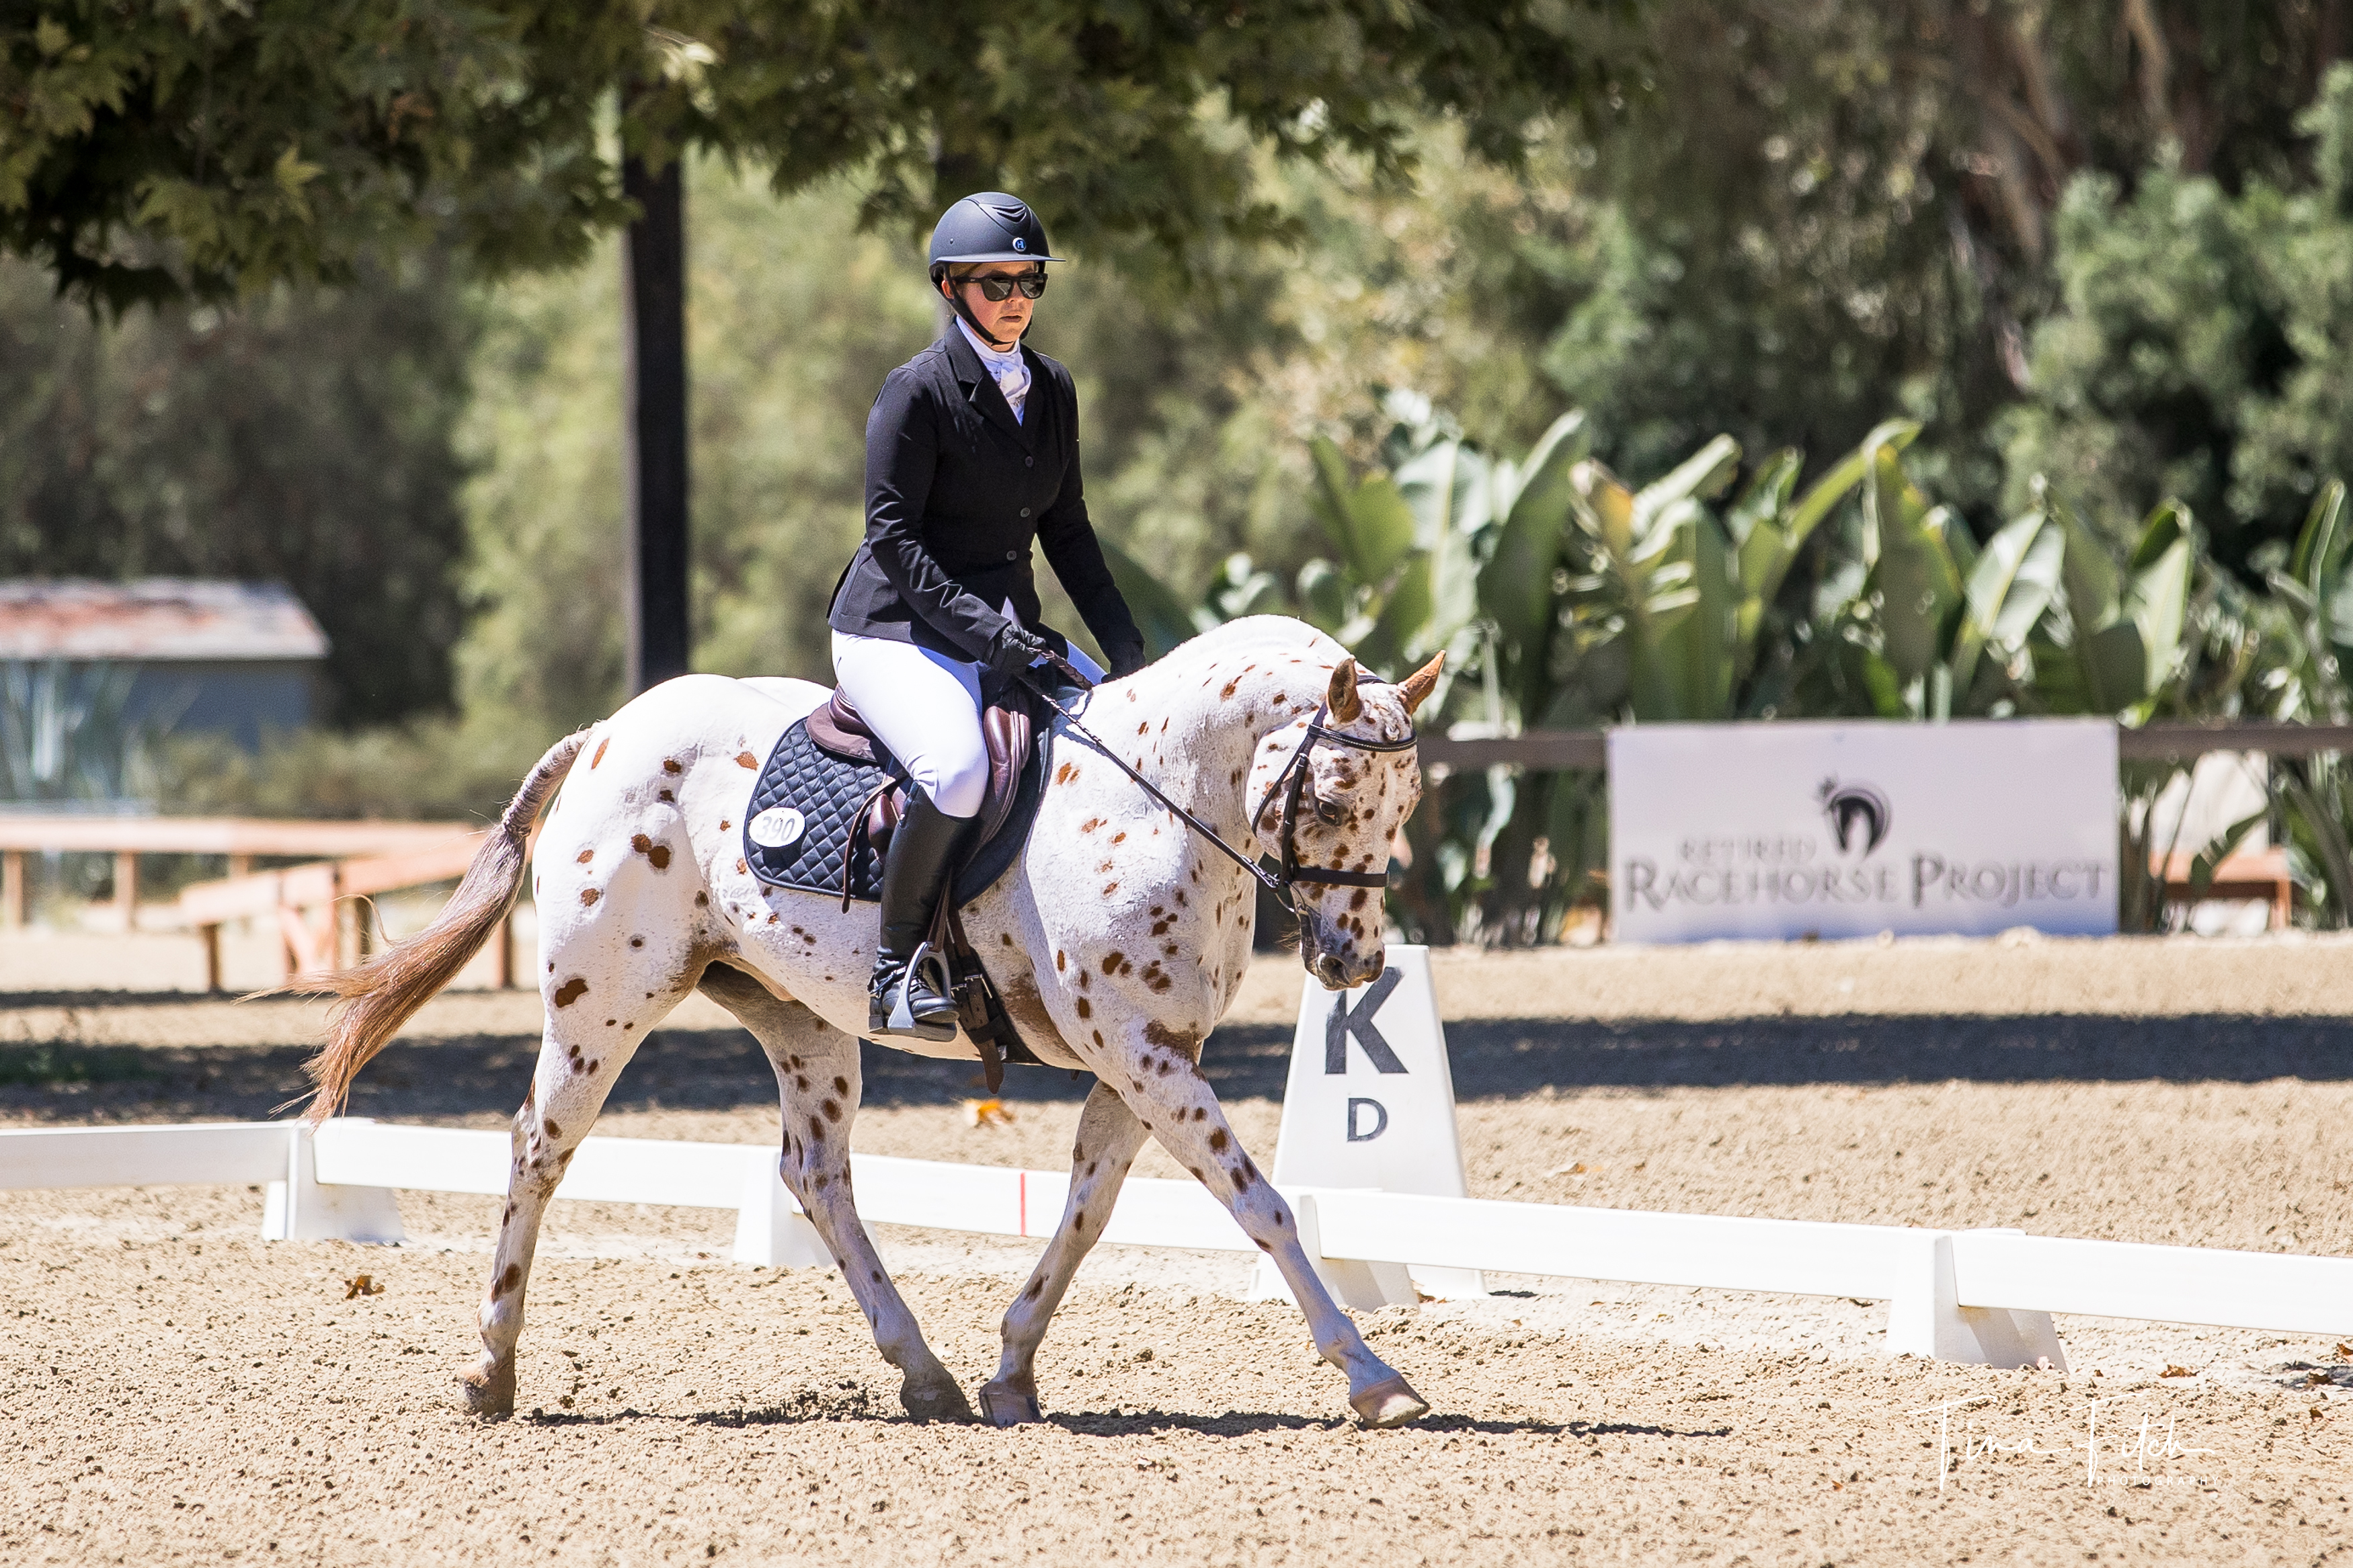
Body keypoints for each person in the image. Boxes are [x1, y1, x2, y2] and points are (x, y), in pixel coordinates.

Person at [827, 191, 1148, 1042]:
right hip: (894, 630)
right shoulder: (916, 391)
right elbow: (892, 540)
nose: (1016, 297)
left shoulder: (1050, 387)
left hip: (1002, 631)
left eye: (1029, 280)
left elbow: (1067, 530)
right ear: (950, 287)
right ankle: (896, 973)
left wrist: (1124, 643)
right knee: (959, 770)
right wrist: (991, 635)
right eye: (996, 281)